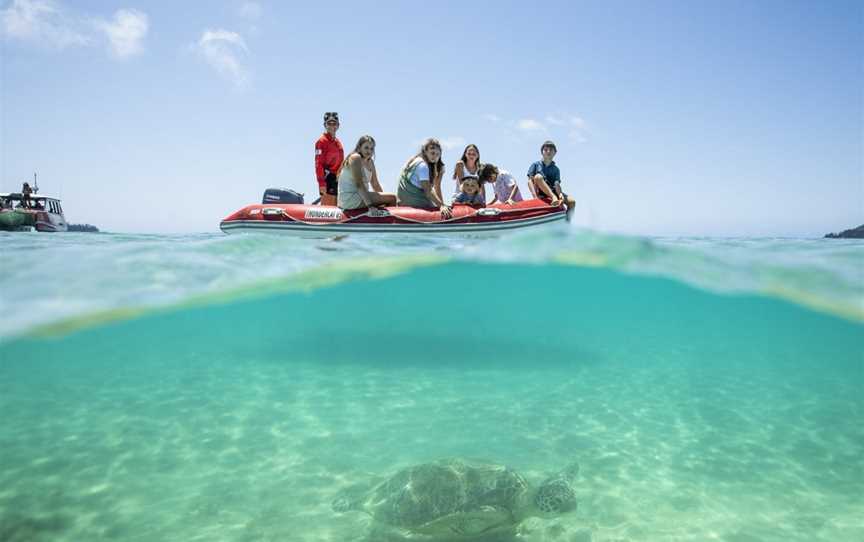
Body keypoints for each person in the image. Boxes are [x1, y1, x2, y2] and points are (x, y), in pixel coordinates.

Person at [396, 138, 452, 218]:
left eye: (437, 154)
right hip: (411, 202)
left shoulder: (414, 160)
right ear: (425, 152)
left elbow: (436, 187)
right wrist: (442, 205)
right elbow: (428, 190)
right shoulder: (422, 166)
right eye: (432, 153)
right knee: (437, 207)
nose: (435, 157)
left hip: (403, 201)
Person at [337, 135, 397, 210]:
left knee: (390, 198)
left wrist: (383, 200)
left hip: (361, 196)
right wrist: (370, 206)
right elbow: (359, 184)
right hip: (349, 198)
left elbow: (375, 184)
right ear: (359, 148)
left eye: (372, 149)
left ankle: (380, 218)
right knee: (392, 198)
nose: (369, 151)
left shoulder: (370, 162)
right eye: (366, 148)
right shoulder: (355, 158)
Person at [527, 140, 575, 210]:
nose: (548, 151)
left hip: (553, 191)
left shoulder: (556, 169)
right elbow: (529, 181)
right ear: (542, 152)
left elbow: (556, 184)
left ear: (555, 153)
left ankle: (567, 219)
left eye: (551, 150)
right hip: (540, 192)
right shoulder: (535, 165)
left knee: (572, 202)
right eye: (546, 150)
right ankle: (553, 197)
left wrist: (560, 194)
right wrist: (535, 197)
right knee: (538, 177)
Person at [314, 112, 344, 206]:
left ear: (338, 125)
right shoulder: (321, 141)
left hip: (338, 179)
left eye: (334, 123)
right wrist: (321, 184)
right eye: (329, 123)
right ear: (325, 125)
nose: (332, 126)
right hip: (327, 179)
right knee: (329, 209)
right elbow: (318, 164)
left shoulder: (338, 143)